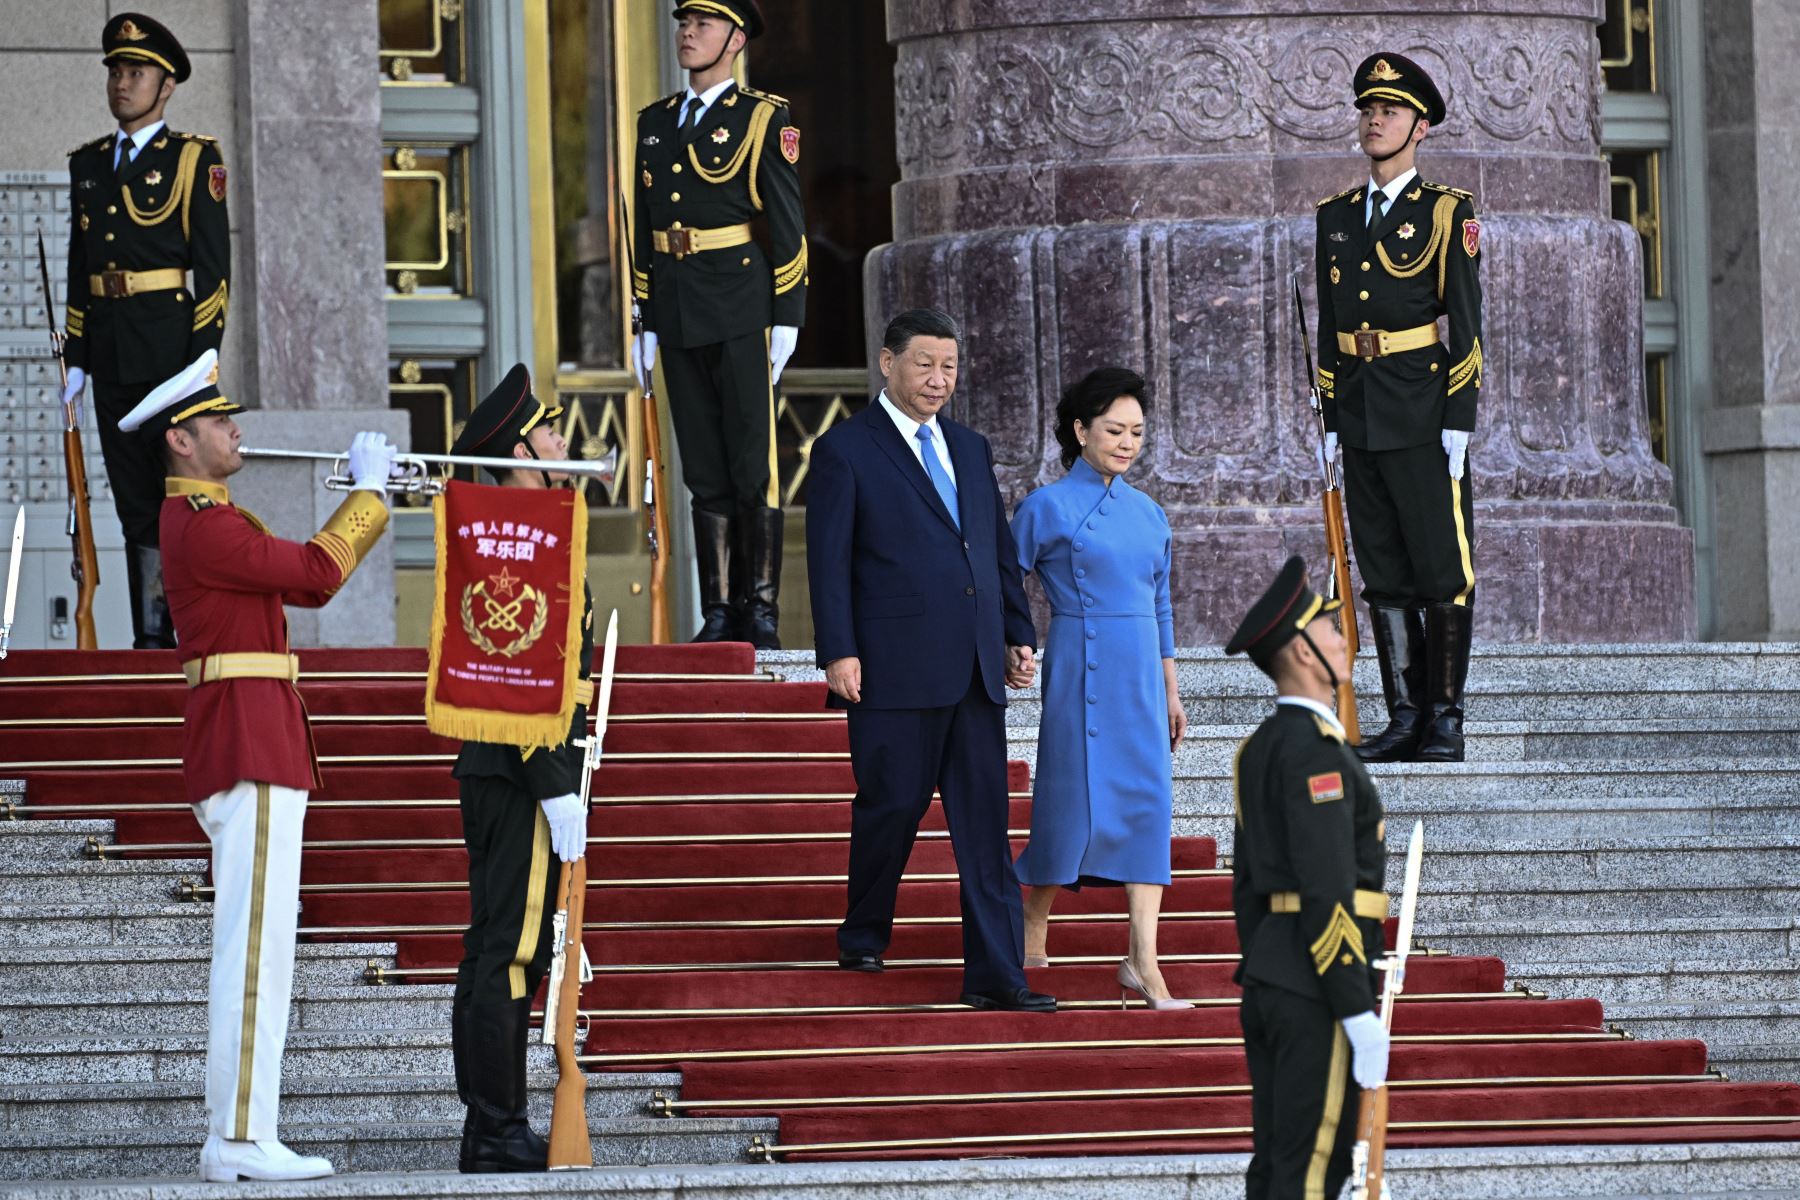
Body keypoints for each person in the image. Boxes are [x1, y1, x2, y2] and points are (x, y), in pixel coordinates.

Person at [118, 351, 396, 1182]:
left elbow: (297, 585)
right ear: (181, 441)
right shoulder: (206, 526)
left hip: (252, 738)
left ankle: (242, 1130)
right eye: (218, 422)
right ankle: (239, 1136)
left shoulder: (215, 518)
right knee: (256, 952)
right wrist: (370, 496)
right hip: (248, 744)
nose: (236, 429)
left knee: (261, 948)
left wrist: (363, 494)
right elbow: (316, 575)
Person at [806, 308, 1052, 1013]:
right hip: (892, 667)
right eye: (924, 364)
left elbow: (994, 550)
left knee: (984, 825)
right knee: (892, 806)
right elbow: (830, 562)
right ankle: (863, 929)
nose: (937, 379)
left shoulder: (970, 448)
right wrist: (839, 651)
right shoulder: (846, 450)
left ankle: (999, 976)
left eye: (948, 366)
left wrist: (1014, 631)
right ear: (888, 363)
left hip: (974, 667)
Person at [445, 364, 594, 1173]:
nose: (561, 441)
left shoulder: (527, 522)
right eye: (546, 431)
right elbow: (512, 668)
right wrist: (553, 781)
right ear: (514, 448)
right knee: (507, 950)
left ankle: (491, 1125)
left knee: (499, 946)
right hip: (518, 770)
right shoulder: (518, 533)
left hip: (511, 767)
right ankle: (495, 1128)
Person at [1314, 52, 1483, 763]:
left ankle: (1444, 719)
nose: (1374, 120)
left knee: (1440, 567)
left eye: (1388, 111)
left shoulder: (1446, 212)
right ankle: (1404, 715)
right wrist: (1328, 420)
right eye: (1367, 109)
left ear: (1420, 126)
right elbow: (1329, 324)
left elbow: (1467, 323)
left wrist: (1459, 419)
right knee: (1381, 567)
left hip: (1421, 407)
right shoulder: (1337, 216)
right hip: (1358, 410)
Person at [1010, 367, 1191, 1010]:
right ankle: (1033, 918)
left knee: (1149, 809)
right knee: (1068, 803)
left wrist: (1171, 690)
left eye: (1137, 432)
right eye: (1114, 429)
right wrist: (1014, 643)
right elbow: (1007, 586)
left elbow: (1161, 604)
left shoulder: (1149, 513)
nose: (1126, 442)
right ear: (1080, 430)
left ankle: (1143, 960)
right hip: (1080, 669)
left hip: (1142, 674)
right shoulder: (1046, 506)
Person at [630, 0, 806, 649]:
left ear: (735, 39)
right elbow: (648, 229)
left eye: (702, 25)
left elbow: (788, 225)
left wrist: (786, 318)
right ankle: (718, 612)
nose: (687, 33)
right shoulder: (655, 123)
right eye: (683, 23)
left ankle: (759, 610)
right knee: (702, 466)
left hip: (739, 303)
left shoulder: (763, 118)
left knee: (748, 462)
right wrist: (643, 317)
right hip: (675, 307)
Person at [1225, 555, 1391, 1200]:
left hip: (1272, 975)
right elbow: (1328, 888)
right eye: (1331, 631)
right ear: (1299, 651)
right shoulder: (1316, 753)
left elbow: (1247, 893)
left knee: (1275, 1169)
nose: (1345, 642)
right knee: (1314, 1173)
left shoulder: (1260, 747)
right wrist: (1354, 1008)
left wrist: (1270, 964)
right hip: (1319, 988)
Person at [63, 12, 231, 649]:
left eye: (136, 73)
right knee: (134, 506)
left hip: (169, 358)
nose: (122, 83)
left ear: (167, 87)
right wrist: (77, 358)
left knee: (180, 499)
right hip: (108, 356)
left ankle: (190, 632)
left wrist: (203, 357)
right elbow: (82, 269)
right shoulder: (88, 166)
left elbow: (215, 270)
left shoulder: (193, 160)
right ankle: (152, 639)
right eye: (116, 72)